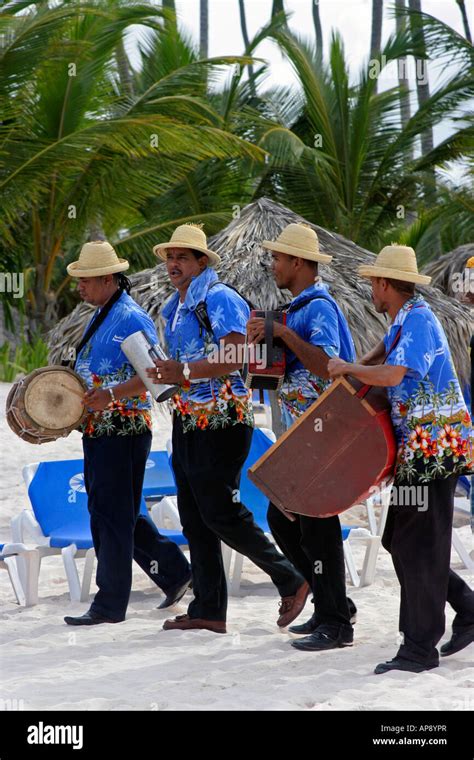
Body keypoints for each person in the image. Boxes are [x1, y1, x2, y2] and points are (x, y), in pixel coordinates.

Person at [146, 223, 309, 634]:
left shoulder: (217, 297)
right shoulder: (176, 305)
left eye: (183, 257)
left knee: (220, 511)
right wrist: (171, 372)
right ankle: (208, 608)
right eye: (170, 257)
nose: (173, 264)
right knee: (194, 516)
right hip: (189, 418)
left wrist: (182, 371)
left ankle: (290, 577)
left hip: (223, 419)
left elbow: (237, 352)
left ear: (202, 262)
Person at [328, 244, 474, 673]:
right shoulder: (401, 322)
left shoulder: (420, 320)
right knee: (401, 540)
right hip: (422, 450)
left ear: (385, 284)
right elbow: (380, 357)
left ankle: (419, 648)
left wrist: (346, 369)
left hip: (436, 450)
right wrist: (355, 365)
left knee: (420, 546)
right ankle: (465, 607)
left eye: (373, 282)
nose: (370, 290)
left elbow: (393, 374)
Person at [63, 241, 191, 626]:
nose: (79, 286)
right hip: (101, 429)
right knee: (114, 512)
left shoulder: (131, 318)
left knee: (112, 516)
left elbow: (154, 374)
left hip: (123, 429)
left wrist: (112, 394)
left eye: (85, 279)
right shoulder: (102, 314)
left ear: (107, 278)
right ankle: (174, 571)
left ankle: (109, 603)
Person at [247, 223, 357, 652]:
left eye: (278, 258)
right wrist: (264, 351)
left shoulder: (319, 309)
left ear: (297, 262)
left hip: (322, 433)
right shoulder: (294, 309)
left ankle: (336, 623)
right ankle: (335, 604)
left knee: (318, 525)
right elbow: (278, 376)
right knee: (284, 518)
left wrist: (284, 335)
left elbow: (327, 365)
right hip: (301, 434)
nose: (272, 265)